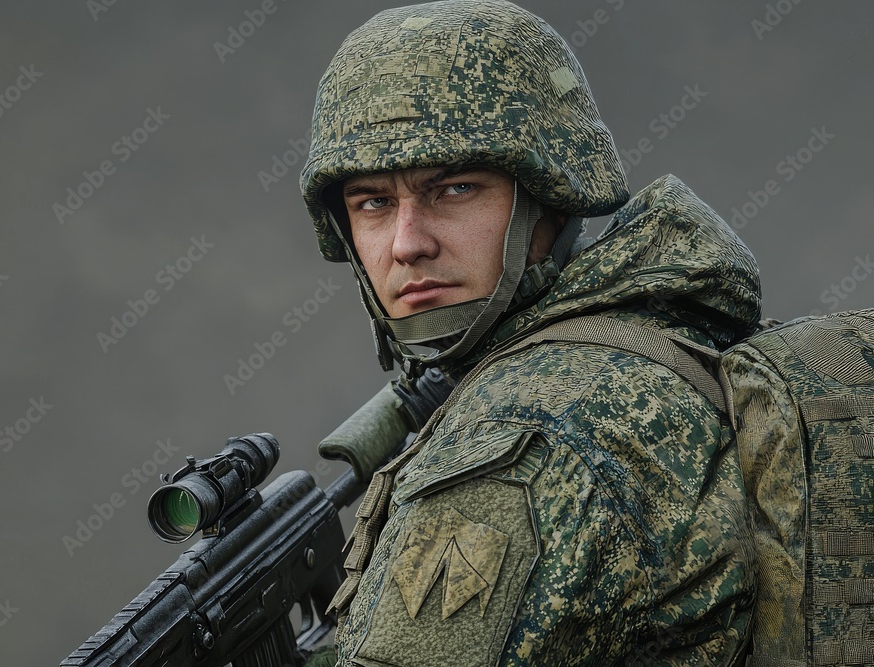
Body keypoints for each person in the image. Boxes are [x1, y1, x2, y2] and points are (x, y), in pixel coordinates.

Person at [299, 1, 760, 664]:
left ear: (549, 193)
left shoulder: (512, 448)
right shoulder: (659, 330)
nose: (406, 244)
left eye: (454, 189)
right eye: (372, 202)